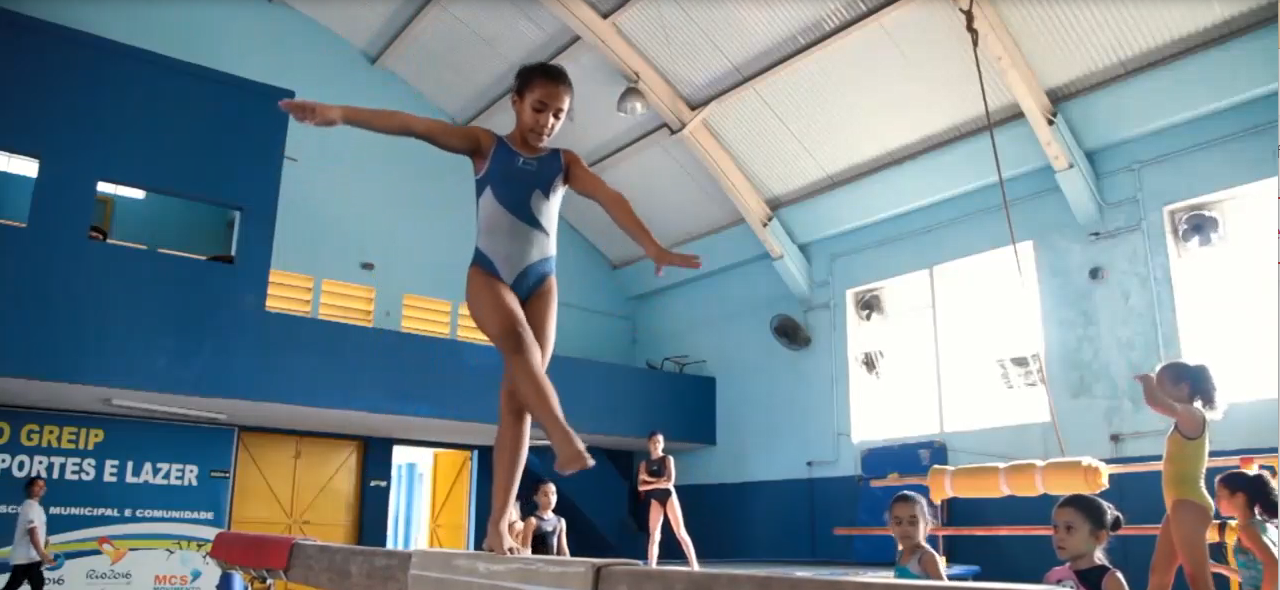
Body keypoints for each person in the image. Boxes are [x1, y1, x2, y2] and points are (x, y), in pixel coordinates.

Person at [279, 62, 701, 555]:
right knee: (521, 350)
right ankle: (563, 436)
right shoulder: (485, 146)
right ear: (516, 102)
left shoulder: (564, 164)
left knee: (518, 398)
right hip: (488, 277)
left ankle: (498, 525)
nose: (547, 121)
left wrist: (651, 247)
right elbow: (415, 126)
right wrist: (339, 113)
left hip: (542, 283)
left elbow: (610, 197)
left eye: (558, 114)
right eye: (539, 108)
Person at [1135, 361, 1219, 590]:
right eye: (1158, 385)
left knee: (1197, 577)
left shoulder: (1192, 415)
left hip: (1189, 503)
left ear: (1184, 387)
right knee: (1159, 574)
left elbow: (1156, 403)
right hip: (1178, 506)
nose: (1159, 390)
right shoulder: (1184, 419)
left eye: (1163, 385)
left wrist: (1148, 381)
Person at [637, 431, 699, 569]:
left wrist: (648, 479)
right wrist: (657, 481)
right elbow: (640, 486)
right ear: (649, 443)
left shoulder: (667, 459)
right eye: (653, 441)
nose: (656, 444)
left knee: (680, 532)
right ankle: (651, 567)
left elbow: (669, 481)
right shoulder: (644, 463)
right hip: (655, 498)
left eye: (659, 441)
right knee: (654, 534)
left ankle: (695, 566)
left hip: (668, 496)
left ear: (663, 444)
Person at [1044, 494, 1130, 590]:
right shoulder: (1052, 577)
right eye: (1056, 528)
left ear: (1099, 537)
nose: (1059, 536)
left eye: (1069, 528)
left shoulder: (1111, 580)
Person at [1211, 469, 1278, 590]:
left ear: (1239, 497)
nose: (1215, 501)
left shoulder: (1249, 530)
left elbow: (1273, 565)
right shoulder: (1262, 525)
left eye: (1220, 495)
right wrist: (1218, 568)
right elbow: (1256, 576)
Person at [3, 477, 54, 590]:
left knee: (37, 583)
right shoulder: (29, 506)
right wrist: (42, 553)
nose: (41, 488)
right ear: (29, 488)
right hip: (26, 556)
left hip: (33, 557)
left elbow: (39, 530)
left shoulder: (37, 507)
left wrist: (45, 543)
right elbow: (32, 532)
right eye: (37, 485)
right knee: (14, 585)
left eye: (43, 486)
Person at [886, 491, 946, 580]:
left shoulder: (927, 558)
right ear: (891, 526)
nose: (905, 528)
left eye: (912, 523)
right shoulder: (901, 554)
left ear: (927, 525)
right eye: (898, 522)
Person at [522, 480, 568, 557]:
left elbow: (563, 550)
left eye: (553, 494)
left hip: (553, 565)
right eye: (545, 495)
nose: (550, 498)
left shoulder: (560, 521)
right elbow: (526, 549)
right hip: (536, 565)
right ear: (536, 497)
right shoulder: (532, 521)